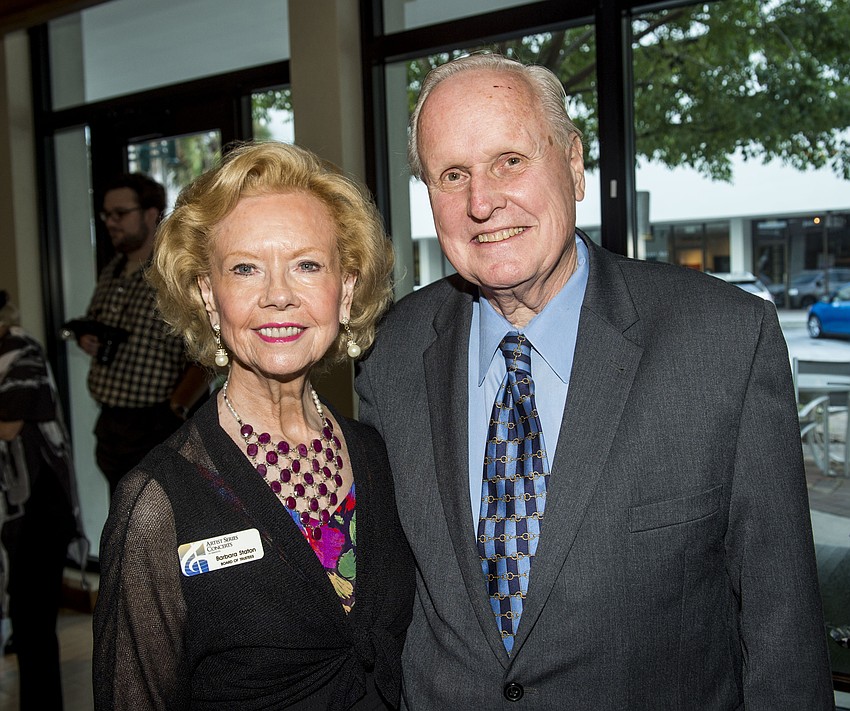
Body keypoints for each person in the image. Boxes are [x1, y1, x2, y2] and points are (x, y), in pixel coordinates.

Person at [354, 52, 835, 709]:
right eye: (452, 173)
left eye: (510, 161)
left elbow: (783, 626)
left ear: (574, 163)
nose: (482, 201)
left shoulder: (722, 339)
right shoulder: (392, 352)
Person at [92, 141, 414, 710]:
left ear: (346, 288)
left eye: (307, 265)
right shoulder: (158, 502)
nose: (279, 296)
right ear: (207, 296)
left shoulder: (379, 455)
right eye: (245, 269)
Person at [67, 172, 210, 497]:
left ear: (151, 214)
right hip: (112, 423)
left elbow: (206, 348)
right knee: (122, 519)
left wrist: (177, 408)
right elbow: (96, 320)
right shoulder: (112, 269)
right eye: (106, 215)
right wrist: (86, 338)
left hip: (158, 423)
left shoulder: (173, 272)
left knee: (161, 518)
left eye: (120, 213)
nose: (111, 222)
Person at [0, 290, 88, 710]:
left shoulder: (20, 350)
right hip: (14, 510)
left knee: (33, 627)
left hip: (38, 509)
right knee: (25, 621)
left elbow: (8, 426)